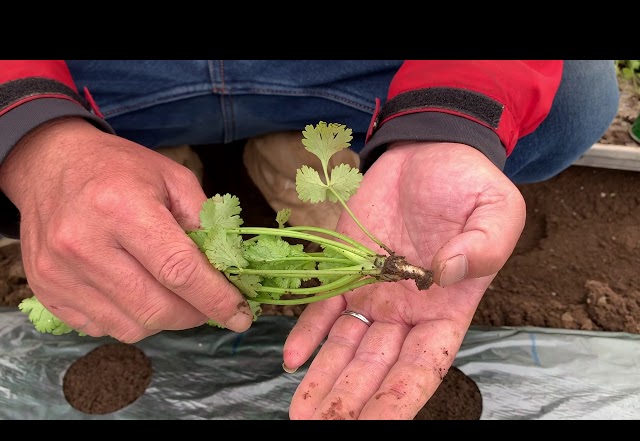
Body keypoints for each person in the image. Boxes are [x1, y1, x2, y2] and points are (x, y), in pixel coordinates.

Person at [0, 60, 619, 420]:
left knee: (572, 95)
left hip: (339, 68)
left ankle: (301, 163)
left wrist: (447, 119)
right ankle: (129, 170)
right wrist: (35, 131)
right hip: (112, 77)